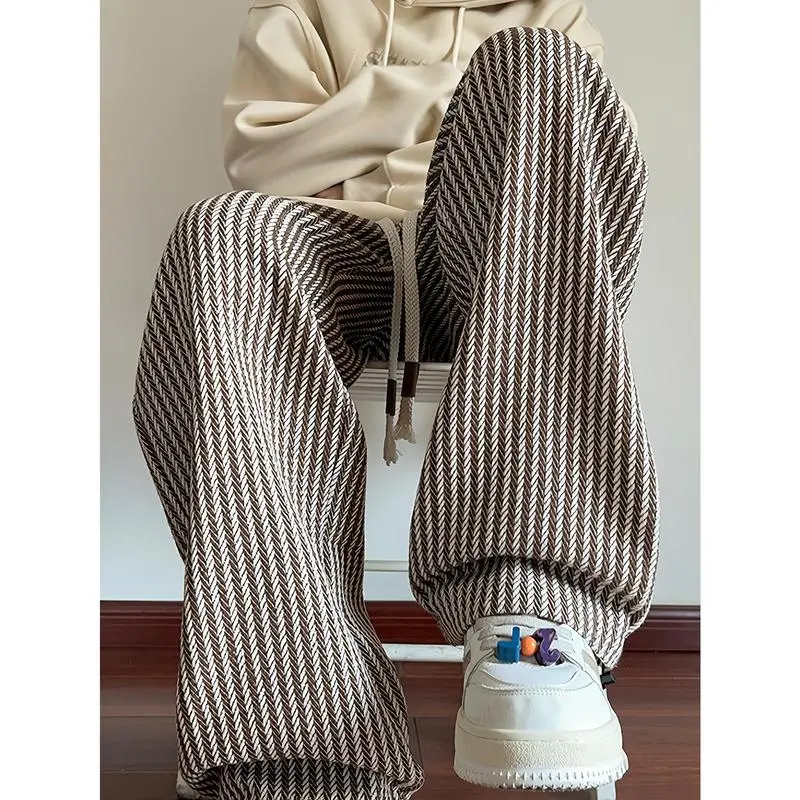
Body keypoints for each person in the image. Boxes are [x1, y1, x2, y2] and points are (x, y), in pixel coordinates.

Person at [132, 1, 659, 798]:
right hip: (337, 247)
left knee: (536, 68)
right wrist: (442, 98)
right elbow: (262, 160)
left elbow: (577, 170)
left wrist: (348, 122)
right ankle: (295, 707)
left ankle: (533, 614)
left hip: (493, 261)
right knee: (222, 234)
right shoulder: (303, 11)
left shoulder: (551, 13)